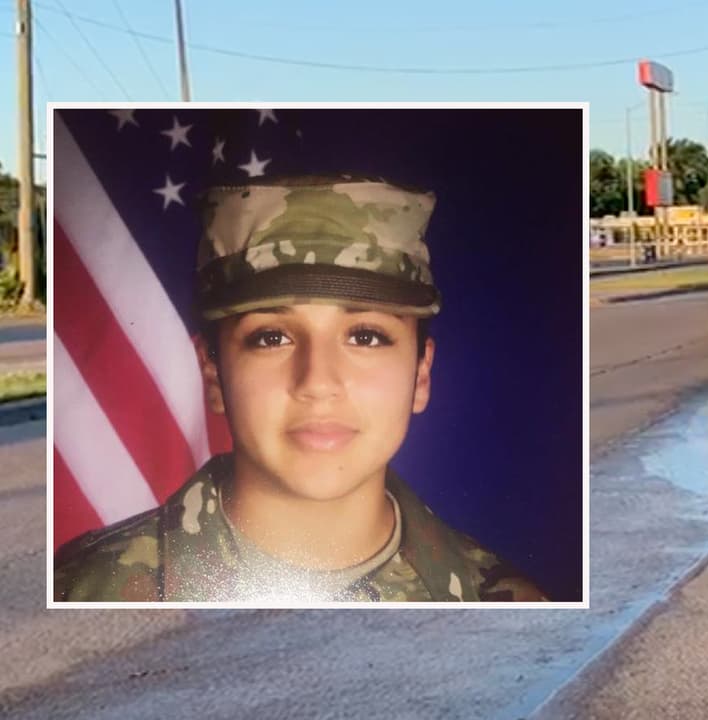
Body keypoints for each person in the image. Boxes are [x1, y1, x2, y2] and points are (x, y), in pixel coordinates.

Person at [54, 174, 548, 603]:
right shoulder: (82, 588)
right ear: (213, 373)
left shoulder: (506, 600)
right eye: (272, 337)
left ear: (420, 376)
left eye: (366, 336)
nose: (317, 383)